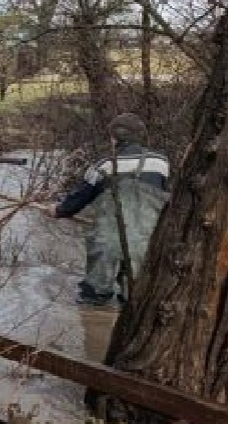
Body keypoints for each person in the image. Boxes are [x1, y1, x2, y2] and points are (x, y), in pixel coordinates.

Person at [43, 113, 170, 308]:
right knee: (135, 298)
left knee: (94, 297)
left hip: (107, 241)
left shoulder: (104, 164)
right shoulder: (162, 163)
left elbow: (80, 196)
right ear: (142, 135)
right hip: (146, 240)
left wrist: (58, 210)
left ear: (114, 138)